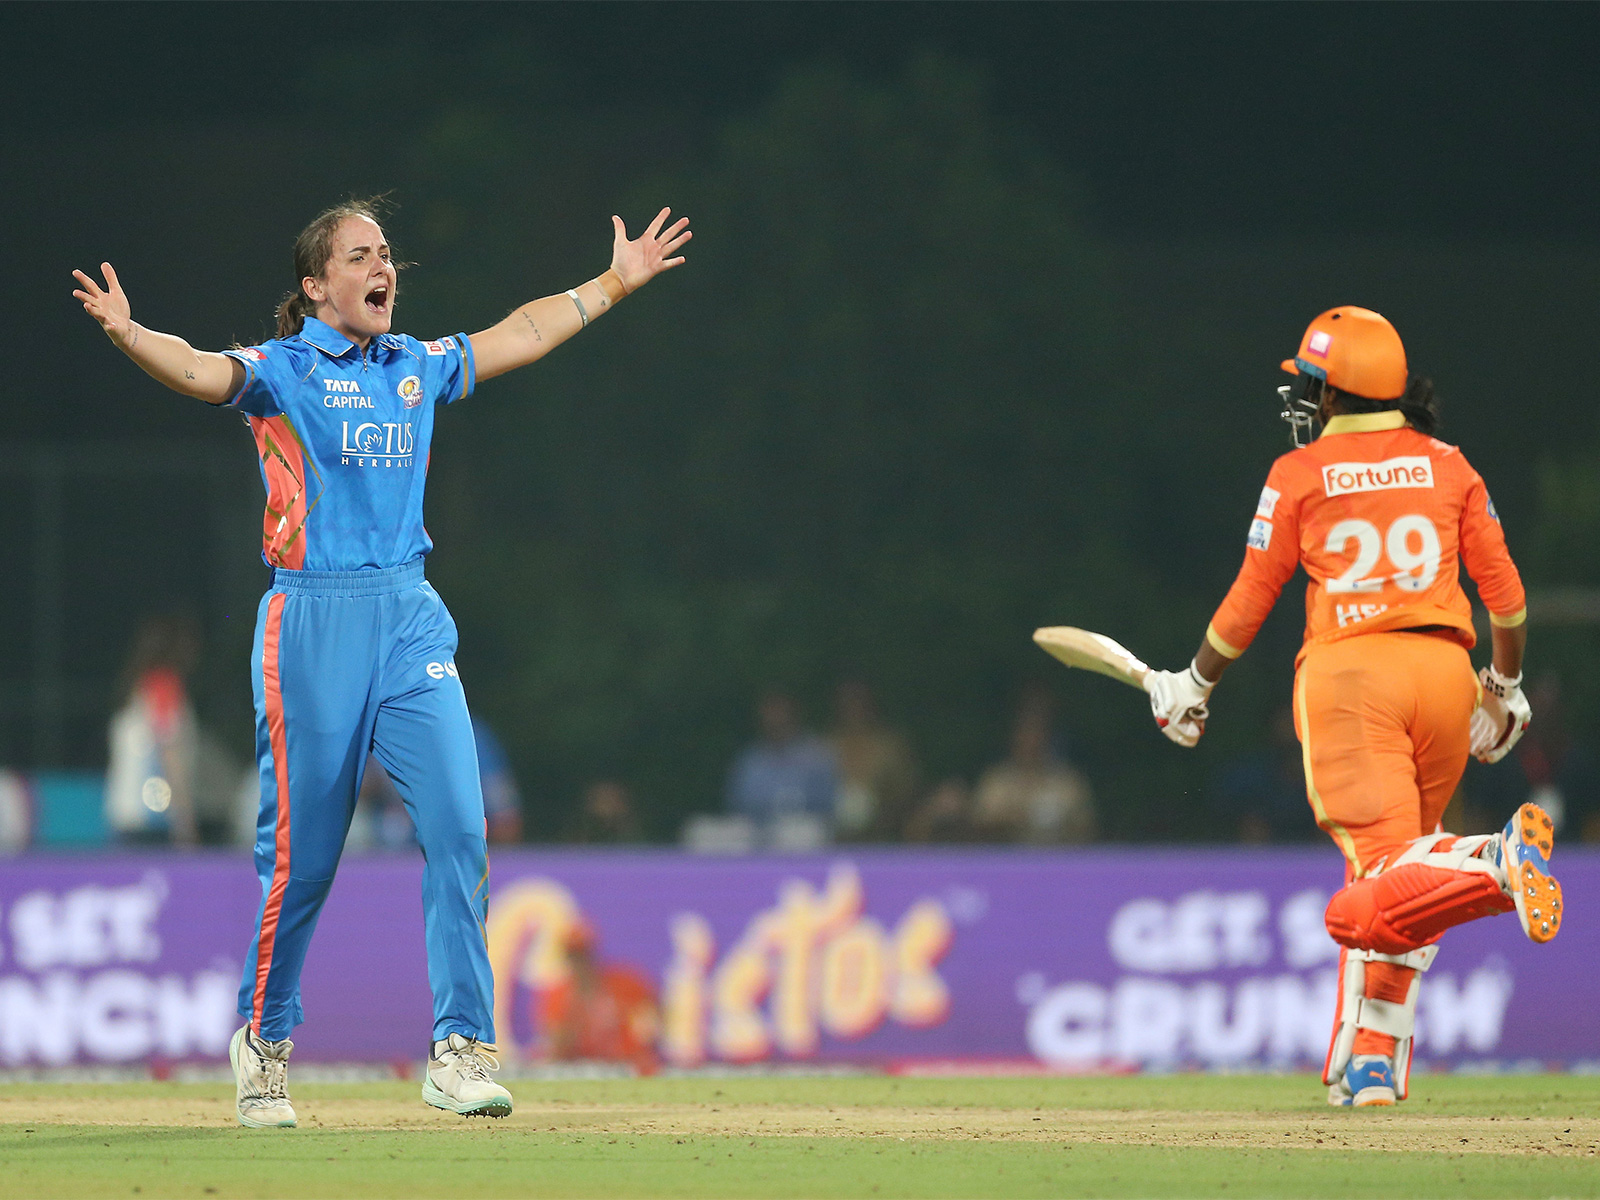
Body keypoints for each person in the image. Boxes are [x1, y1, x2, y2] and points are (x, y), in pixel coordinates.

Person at [73, 198, 689, 1128]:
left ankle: (460, 1049)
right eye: (360, 255)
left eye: (387, 253)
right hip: (310, 624)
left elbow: (516, 334)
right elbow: (202, 371)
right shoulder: (281, 372)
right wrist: (129, 335)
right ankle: (265, 1043)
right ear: (316, 286)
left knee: (461, 824)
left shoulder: (413, 368)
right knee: (304, 861)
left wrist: (612, 283)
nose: (382, 267)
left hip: (408, 615)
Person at [1142, 307, 1560, 1107]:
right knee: (1403, 880)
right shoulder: (1447, 462)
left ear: (1335, 392)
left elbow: (1250, 598)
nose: (1300, 397)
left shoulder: (1297, 474)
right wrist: (1504, 693)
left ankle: (1494, 863)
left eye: (1308, 383)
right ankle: (1372, 1060)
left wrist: (1191, 685)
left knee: (1363, 900)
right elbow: (1506, 600)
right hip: (1447, 677)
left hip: (1351, 679)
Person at [105, 614, 201, 846]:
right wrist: (185, 823)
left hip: (123, 813)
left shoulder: (133, 692)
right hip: (154, 818)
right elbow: (171, 755)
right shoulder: (163, 686)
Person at [971, 689, 1094, 844]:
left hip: (1058, 862)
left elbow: (1087, 828)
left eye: (1038, 732)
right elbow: (978, 826)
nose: (1032, 740)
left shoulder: (1068, 782)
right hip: (1007, 864)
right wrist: (1011, 820)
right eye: (1026, 732)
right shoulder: (996, 781)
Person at [725, 689, 838, 834]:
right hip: (757, 838)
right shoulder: (749, 761)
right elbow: (736, 808)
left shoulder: (817, 757)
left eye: (779, 710)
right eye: (769, 711)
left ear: (793, 713)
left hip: (804, 838)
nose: (774, 718)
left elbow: (828, 807)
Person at [828, 680, 918, 841]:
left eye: (858, 701)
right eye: (848, 702)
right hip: (832, 831)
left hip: (881, 831)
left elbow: (906, 793)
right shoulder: (826, 745)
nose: (854, 707)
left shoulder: (890, 746)